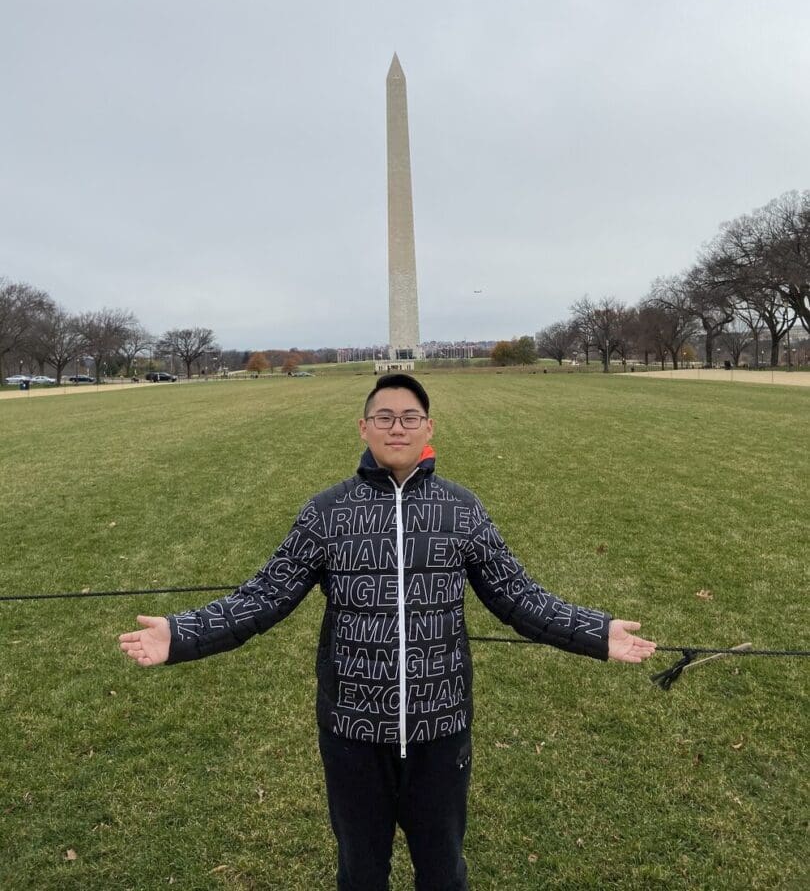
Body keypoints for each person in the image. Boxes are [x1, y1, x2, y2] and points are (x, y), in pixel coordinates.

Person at [119, 373, 656, 890]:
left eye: (409, 417)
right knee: (360, 872)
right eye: (384, 417)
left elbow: (518, 596)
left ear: (428, 428)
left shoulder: (461, 510)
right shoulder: (326, 513)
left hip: (439, 731)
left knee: (443, 871)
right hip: (352, 731)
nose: (396, 427)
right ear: (363, 428)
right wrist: (181, 634)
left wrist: (595, 632)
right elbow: (265, 595)